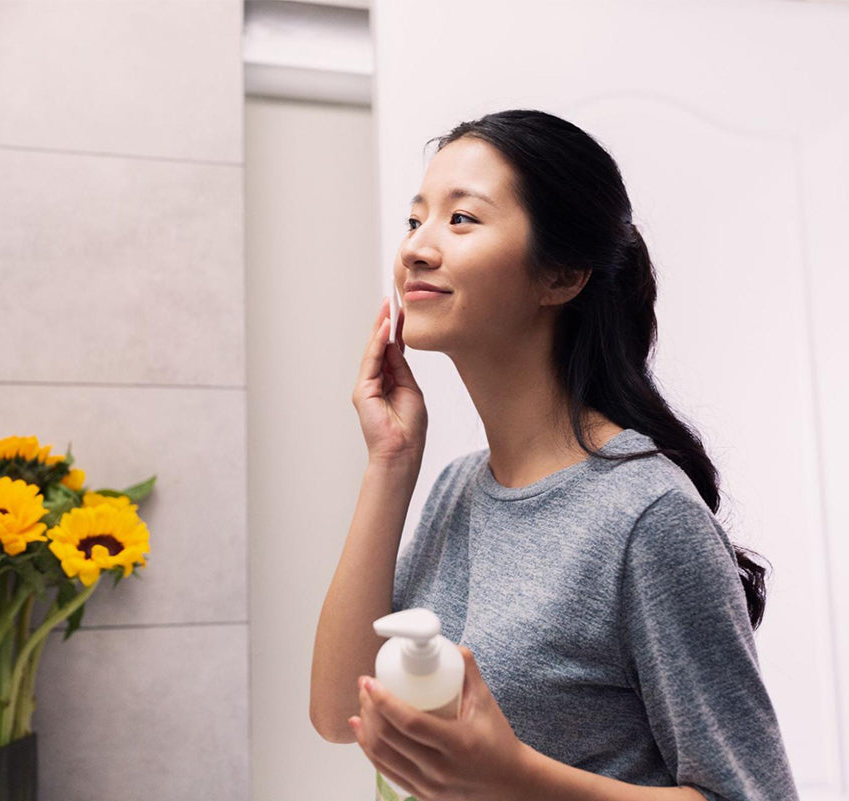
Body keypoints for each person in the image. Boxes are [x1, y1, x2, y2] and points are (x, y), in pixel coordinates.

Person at [309, 109, 800, 801]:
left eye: (462, 219)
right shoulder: (456, 489)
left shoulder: (647, 514)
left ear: (562, 276)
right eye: (416, 218)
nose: (416, 248)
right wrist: (390, 460)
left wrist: (513, 776)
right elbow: (342, 715)